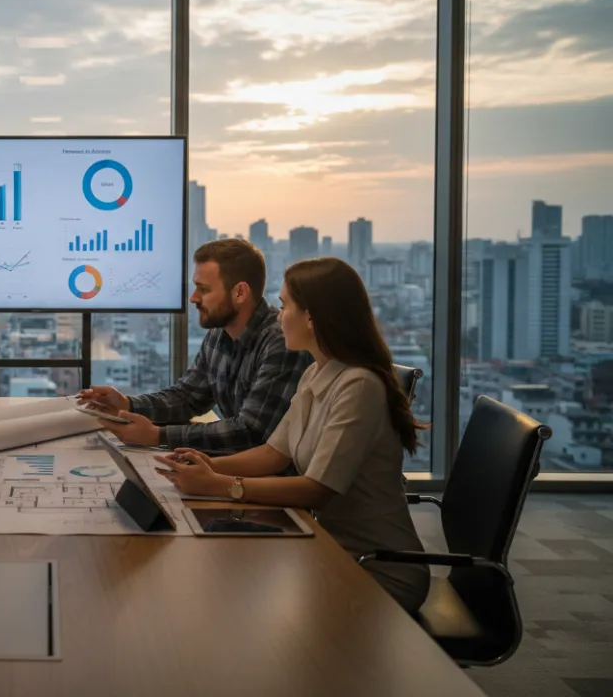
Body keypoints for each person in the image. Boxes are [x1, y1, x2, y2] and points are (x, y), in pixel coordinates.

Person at [153, 257, 430, 613]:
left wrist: (219, 485)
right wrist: (211, 465)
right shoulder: (316, 374)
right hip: (327, 547)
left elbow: (317, 489)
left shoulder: (359, 386)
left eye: (285, 306)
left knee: (236, 601)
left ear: (312, 317)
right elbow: (273, 454)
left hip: (375, 567)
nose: (278, 315)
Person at [80, 239, 309, 453]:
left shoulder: (280, 342)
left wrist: (158, 436)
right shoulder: (220, 333)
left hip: (270, 479)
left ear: (239, 292)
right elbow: (188, 397)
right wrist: (128, 404)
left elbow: (251, 432)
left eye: (204, 289)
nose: (193, 298)